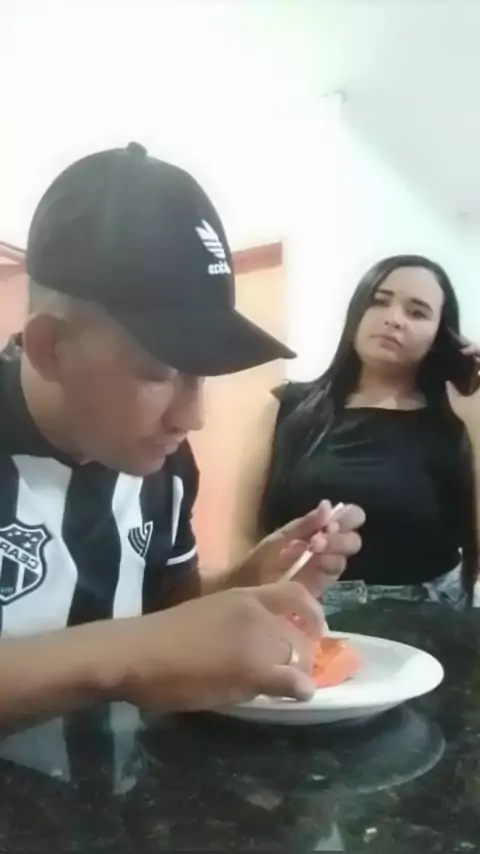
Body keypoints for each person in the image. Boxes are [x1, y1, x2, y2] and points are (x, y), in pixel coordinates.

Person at [0, 142, 364, 727]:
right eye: (160, 372)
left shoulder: (162, 463)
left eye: (201, 373)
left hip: (122, 780)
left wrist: (252, 580)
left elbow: (167, 611)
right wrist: (127, 655)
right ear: (52, 348)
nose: (193, 417)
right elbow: (145, 645)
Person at [232, 254, 480, 607]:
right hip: (305, 613)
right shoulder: (289, 408)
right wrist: (246, 606)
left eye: (417, 312)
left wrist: (476, 418)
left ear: (443, 336)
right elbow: (244, 535)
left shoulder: (457, 422)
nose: (393, 319)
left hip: (430, 620)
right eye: (379, 301)